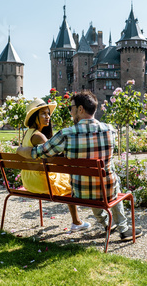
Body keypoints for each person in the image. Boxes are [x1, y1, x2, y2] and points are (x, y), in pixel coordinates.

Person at [17, 91, 142, 242]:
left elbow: (40, 152)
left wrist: (21, 150)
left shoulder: (66, 134)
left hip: (80, 193)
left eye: (71, 108)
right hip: (107, 190)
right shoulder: (110, 130)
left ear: (80, 109)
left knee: (89, 181)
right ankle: (124, 229)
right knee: (108, 178)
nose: (70, 112)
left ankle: (106, 223)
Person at [20, 98, 90, 232]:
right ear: (35, 117)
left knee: (65, 178)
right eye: (43, 114)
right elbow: (54, 157)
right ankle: (76, 222)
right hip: (40, 181)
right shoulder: (39, 136)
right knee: (70, 183)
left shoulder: (28, 133)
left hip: (28, 179)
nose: (48, 117)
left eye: (48, 113)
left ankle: (76, 221)